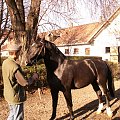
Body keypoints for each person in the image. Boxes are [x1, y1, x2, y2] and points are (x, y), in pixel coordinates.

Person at [2, 43, 38, 120]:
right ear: (15, 53)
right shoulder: (14, 66)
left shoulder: (5, 62)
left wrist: (24, 72)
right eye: (18, 52)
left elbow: (12, 75)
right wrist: (33, 78)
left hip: (8, 95)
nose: (19, 54)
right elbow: (24, 83)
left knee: (12, 115)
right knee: (18, 117)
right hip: (15, 96)